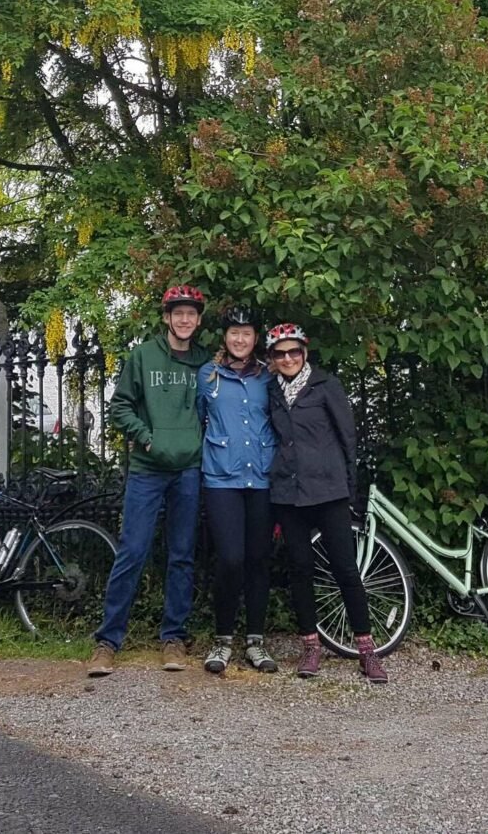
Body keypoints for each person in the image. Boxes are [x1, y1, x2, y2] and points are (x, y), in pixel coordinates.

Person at [87, 285, 210, 676]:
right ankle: (107, 641)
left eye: (191, 313)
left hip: (188, 468)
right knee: (133, 551)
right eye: (178, 313)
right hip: (147, 470)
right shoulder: (143, 356)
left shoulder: (205, 363)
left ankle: (173, 636)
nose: (185, 319)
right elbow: (119, 405)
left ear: (199, 320)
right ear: (166, 318)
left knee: (182, 555)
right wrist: (147, 436)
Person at [264, 323, 388, 684]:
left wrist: (350, 489)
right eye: (280, 353)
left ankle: (367, 649)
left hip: (329, 491)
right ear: (272, 358)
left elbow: (347, 437)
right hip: (288, 493)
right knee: (300, 570)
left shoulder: (326, 385)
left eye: (294, 352)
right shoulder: (270, 391)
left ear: (305, 353)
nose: (288, 358)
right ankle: (311, 646)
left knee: (346, 570)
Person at [197, 307, 278, 674]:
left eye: (246, 333)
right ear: (225, 337)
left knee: (259, 560)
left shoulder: (269, 377)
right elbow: (199, 417)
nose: (240, 339)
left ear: (255, 339)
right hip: (221, 478)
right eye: (234, 333)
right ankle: (223, 639)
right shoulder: (208, 375)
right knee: (230, 559)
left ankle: (256, 642)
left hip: (260, 478)